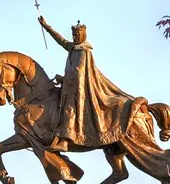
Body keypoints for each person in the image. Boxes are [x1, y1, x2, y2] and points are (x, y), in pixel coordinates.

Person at [38, 15, 139, 147]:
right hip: (72, 86)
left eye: (77, 35)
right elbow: (61, 40)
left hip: (80, 88)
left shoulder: (84, 51)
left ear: (83, 35)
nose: (75, 37)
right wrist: (46, 26)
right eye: (73, 34)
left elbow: (78, 73)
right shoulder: (73, 47)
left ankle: (65, 140)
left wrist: (62, 79)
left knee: (70, 107)